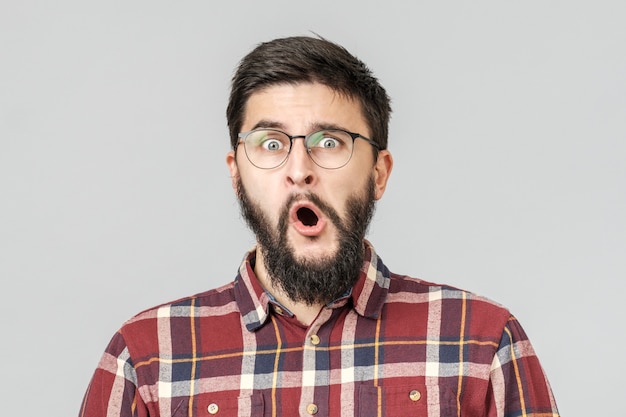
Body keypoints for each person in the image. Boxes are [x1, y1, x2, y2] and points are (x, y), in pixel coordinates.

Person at [79, 36, 560, 417]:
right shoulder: (143, 359)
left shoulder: (483, 343)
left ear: (379, 173)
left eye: (329, 142)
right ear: (236, 173)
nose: (299, 168)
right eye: (271, 144)